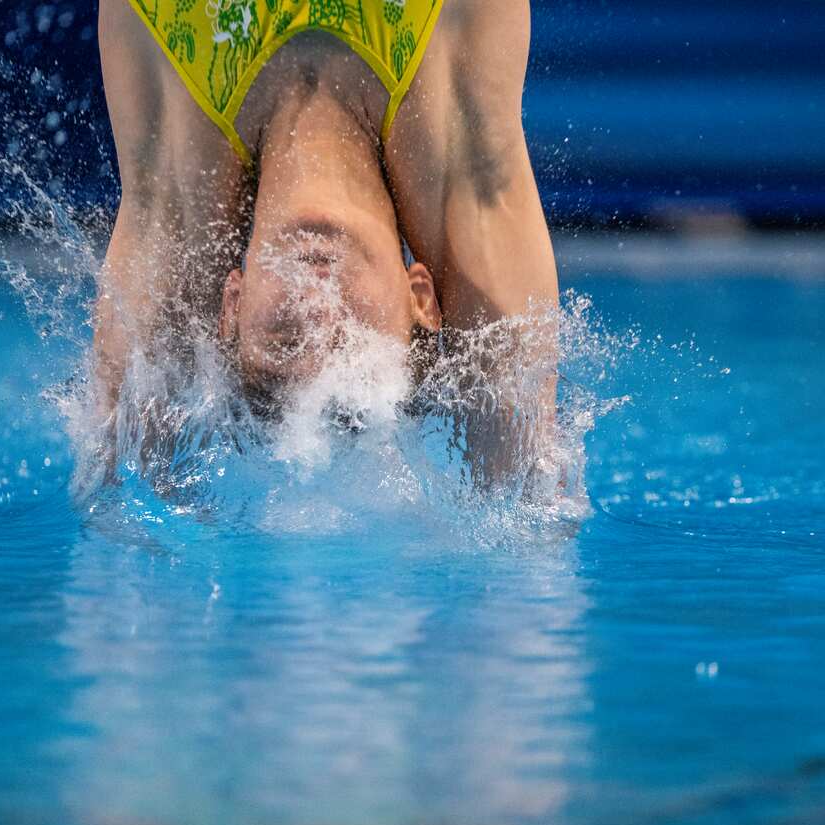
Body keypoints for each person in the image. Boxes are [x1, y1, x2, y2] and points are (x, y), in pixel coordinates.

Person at [95, 0, 560, 486]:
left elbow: (122, 491)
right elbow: (524, 491)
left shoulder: (176, 189)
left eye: (288, 340)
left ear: (233, 303)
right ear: (419, 297)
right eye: (353, 342)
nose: (318, 307)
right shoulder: (466, 160)